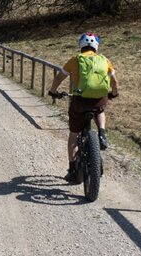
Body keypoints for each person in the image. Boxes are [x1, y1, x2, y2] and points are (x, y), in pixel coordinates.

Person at [49, 32, 119, 185]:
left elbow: (59, 77)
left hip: (79, 101)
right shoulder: (104, 60)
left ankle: (72, 169)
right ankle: (101, 132)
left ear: (80, 45)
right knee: (100, 110)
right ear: (96, 46)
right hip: (99, 100)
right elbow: (114, 81)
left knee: (74, 135)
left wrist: (53, 91)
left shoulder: (75, 60)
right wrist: (114, 93)